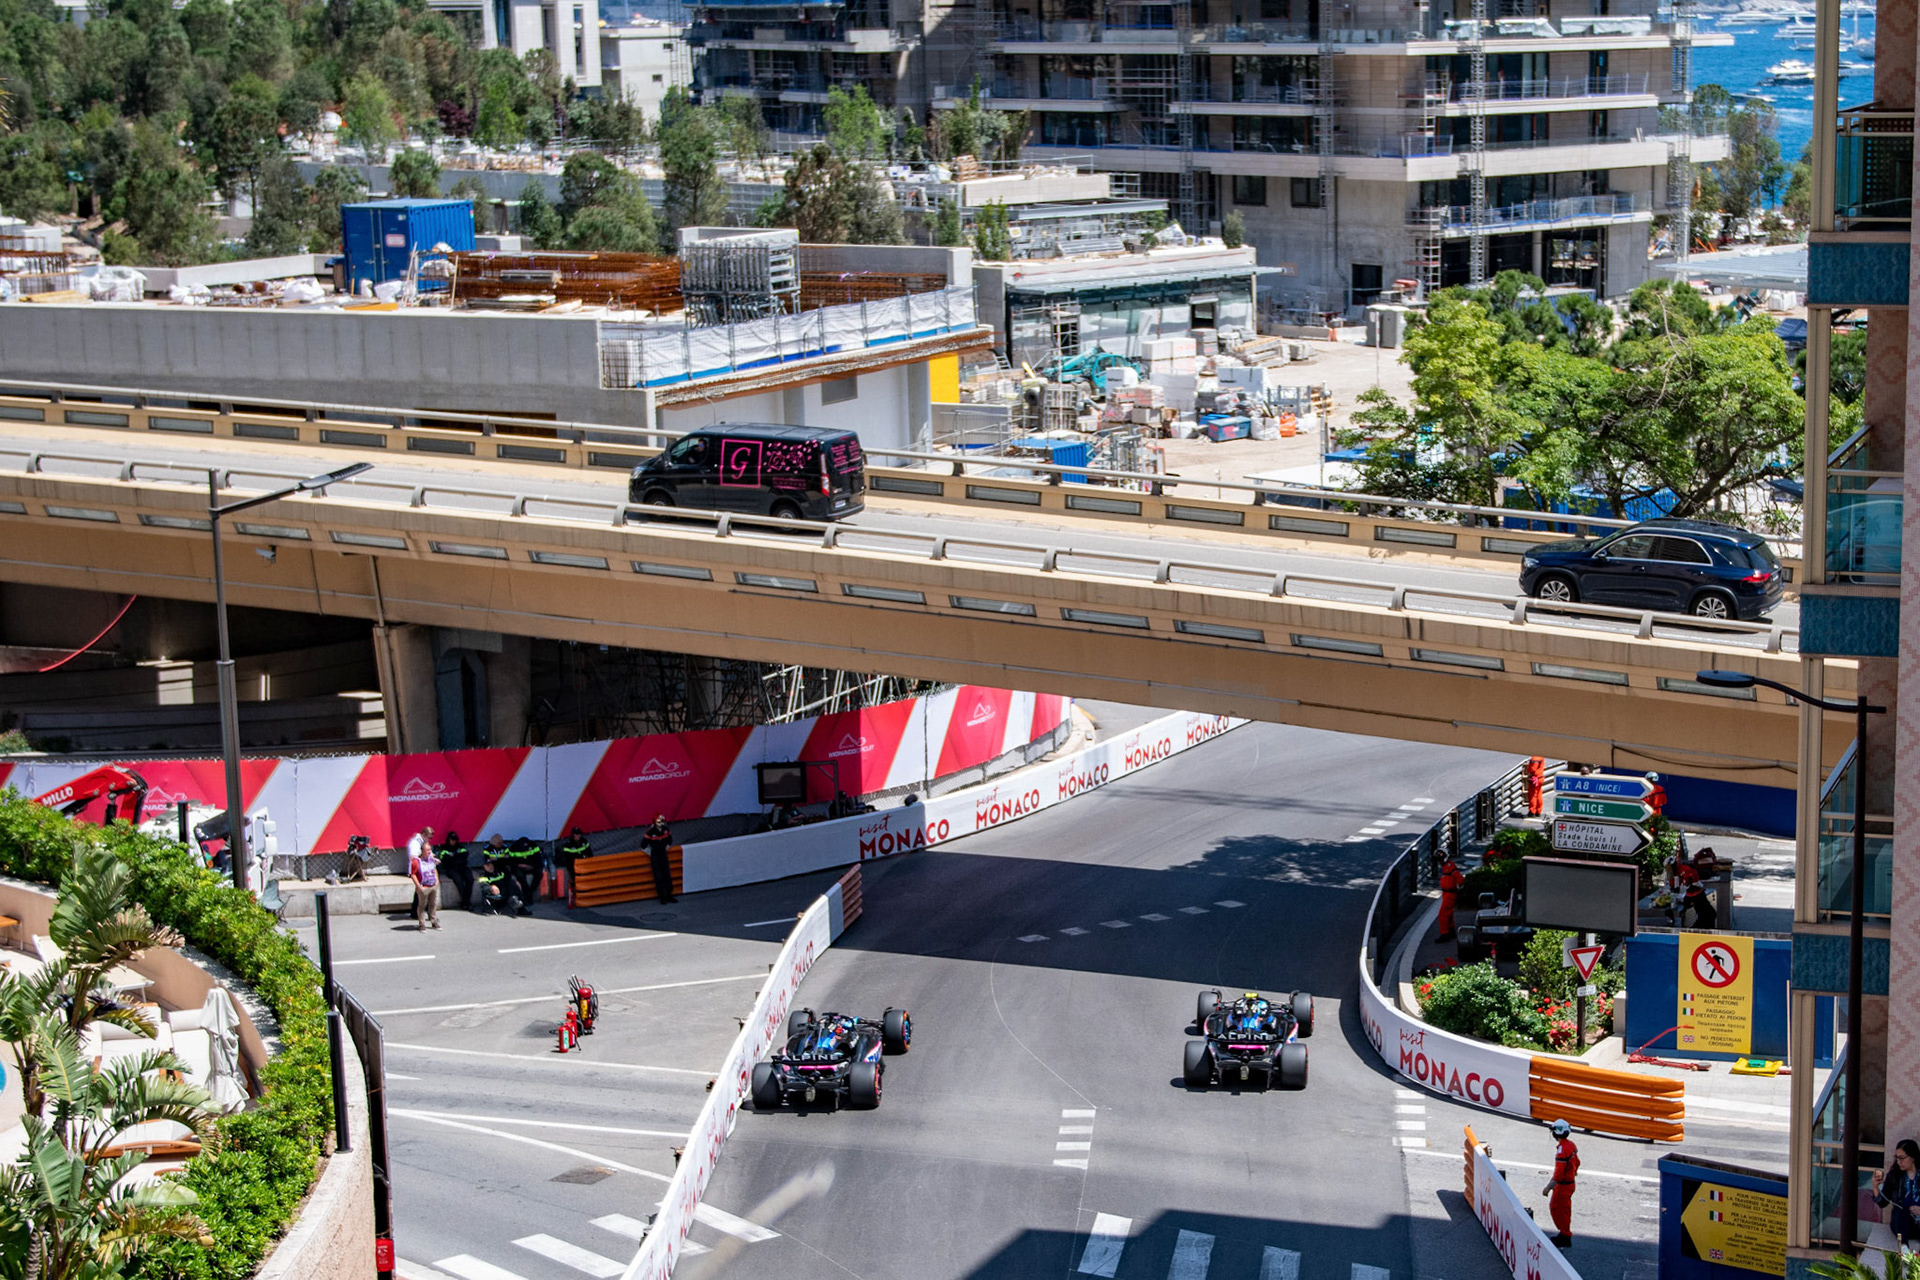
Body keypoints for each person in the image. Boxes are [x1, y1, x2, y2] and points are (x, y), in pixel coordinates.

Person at [1874, 1138, 1920, 1246]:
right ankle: (1903, 1247)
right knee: (1901, 1208)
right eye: (1897, 1158)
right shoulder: (1895, 1175)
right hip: (1902, 1223)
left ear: (1912, 1157)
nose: (1899, 1162)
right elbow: (1883, 1202)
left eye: (1902, 1158)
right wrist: (1876, 1187)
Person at [1541, 1118, 1579, 1248]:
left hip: (1563, 1186)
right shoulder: (1571, 1145)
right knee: (1564, 1210)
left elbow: (1558, 1173)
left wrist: (1548, 1187)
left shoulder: (1562, 1150)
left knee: (1557, 1209)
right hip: (1569, 1183)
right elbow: (1577, 1162)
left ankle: (1565, 1235)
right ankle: (1564, 1234)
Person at [407, 831, 441, 931]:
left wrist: (437, 881)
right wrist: (419, 886)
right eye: (429, 838)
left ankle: (433, 920)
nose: (430, 852)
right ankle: (421, 923)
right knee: (421, 904)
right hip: (423, 883)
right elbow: (413, 869)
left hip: (432, 884)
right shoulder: (415, 844)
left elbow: (434, 869)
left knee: (432, 904)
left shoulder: (430, 858)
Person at [644, 814, 676, 903]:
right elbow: (643, 845)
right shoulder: (650, 832)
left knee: (667, 874)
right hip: (655, 856)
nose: (661, 823)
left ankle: (669, 895)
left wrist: (665, 849)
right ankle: (662, 897)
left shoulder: (666, 830)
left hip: (663, 854)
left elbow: (670, 841)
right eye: (658, 821)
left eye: (662, 821)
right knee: (658, 877)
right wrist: (651, 853)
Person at [437, 830, 472, 909]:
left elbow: (465, 857)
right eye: (452, 840)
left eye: (455, 839)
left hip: (462, 867)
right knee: (459, 881)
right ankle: (466, 902)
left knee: (470, 879)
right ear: (448, 840)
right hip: (451, 869)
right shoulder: (444, 849)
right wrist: (457, 858)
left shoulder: (460, 848)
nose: (453, 841)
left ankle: (465, 901)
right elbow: (445, 860)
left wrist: (454, 857)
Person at [556, 827, 591, 900]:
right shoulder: (569, 844)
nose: (578, 836)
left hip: (585, 863)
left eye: (579, 834)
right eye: (577, 834)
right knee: (575, 875)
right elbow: (568, 858)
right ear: (573, 835)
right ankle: (579, 891)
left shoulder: (584, 841)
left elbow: (590, 853)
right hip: (573, 864)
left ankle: (589, 889)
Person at [1436, 853, 1464, 942]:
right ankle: (1451, 930)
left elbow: (1460, 879)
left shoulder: (1450, 867)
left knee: (1443, 914)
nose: (1439, 862)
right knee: (1448, 913)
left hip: (1450, 894)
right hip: (1447, 893)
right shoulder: (1447, 866)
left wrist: (1459, 887)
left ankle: (1445, 934)